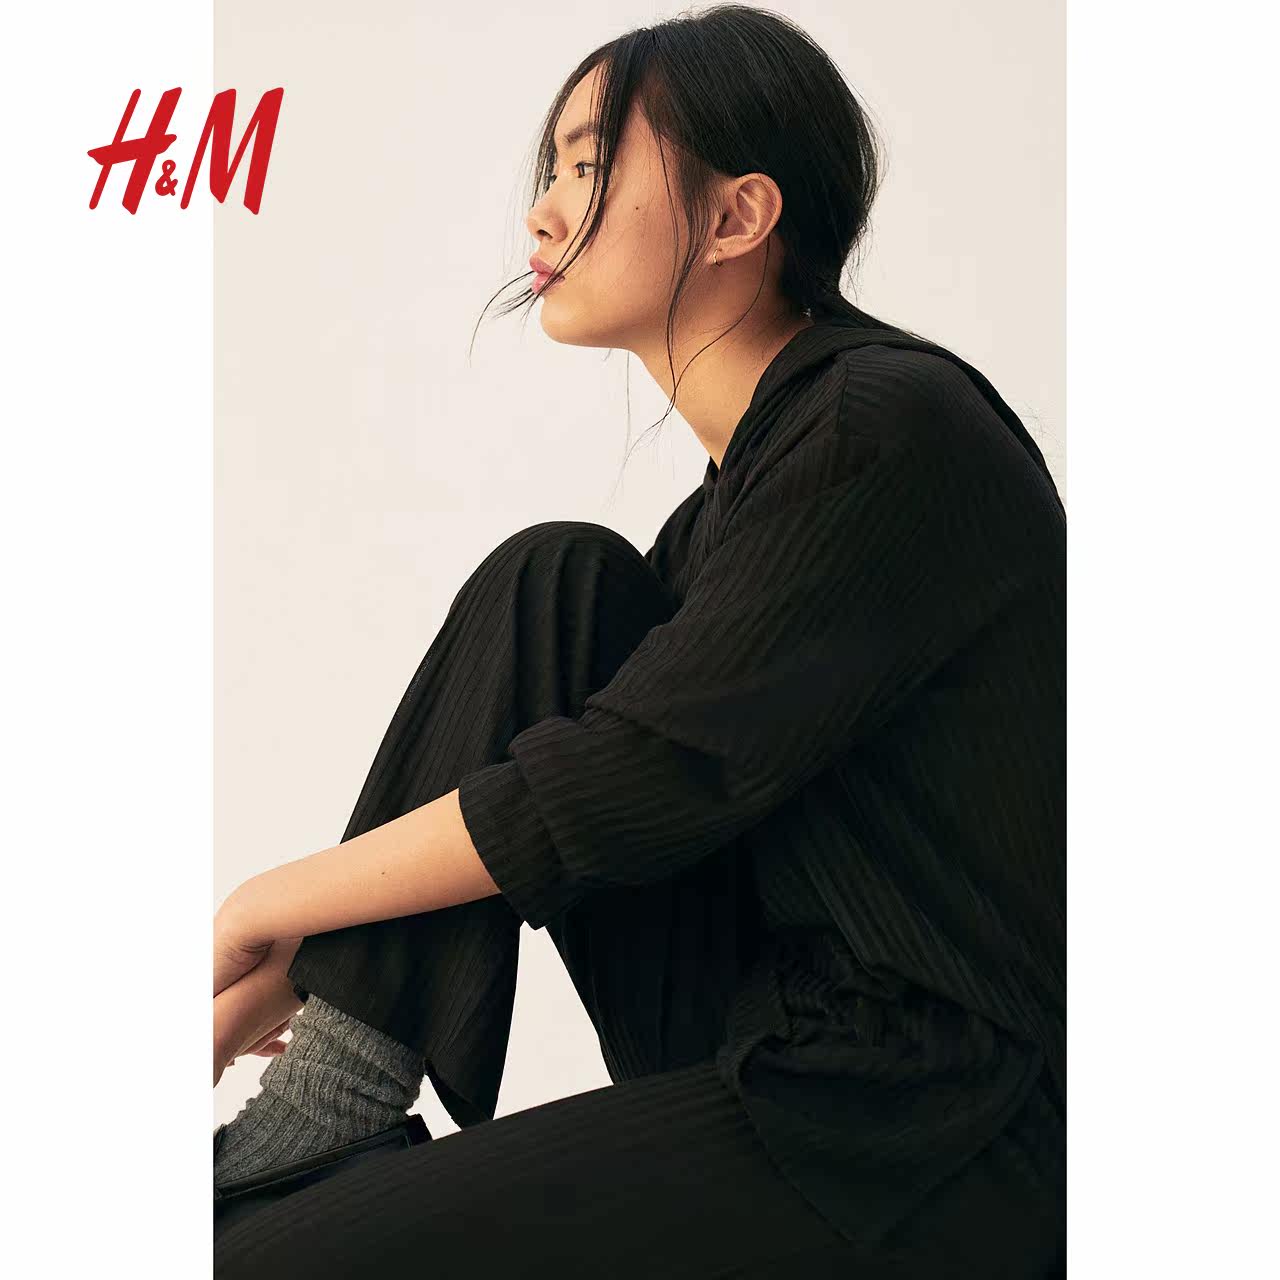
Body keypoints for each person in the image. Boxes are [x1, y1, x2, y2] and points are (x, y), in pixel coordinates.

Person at [212, 5, 1066, 1275]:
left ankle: (318, 1114)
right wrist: (296, 978)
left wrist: (263, 905)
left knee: (245, 1254)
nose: (542, 213)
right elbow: (585, 773)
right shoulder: (720, 516)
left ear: (736, 216)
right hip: (768, 1043)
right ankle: (331, 1091)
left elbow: (630, 778)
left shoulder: (881, 429)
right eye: (552, 170)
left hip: (938, 1121)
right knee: (555, 579)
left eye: (589, 165)